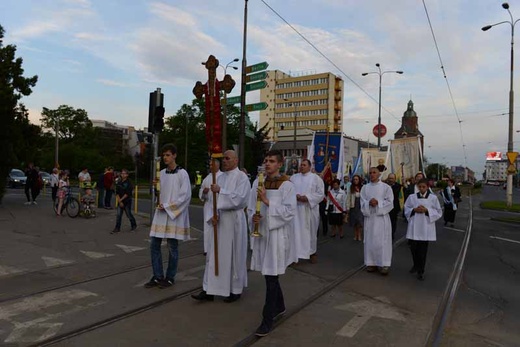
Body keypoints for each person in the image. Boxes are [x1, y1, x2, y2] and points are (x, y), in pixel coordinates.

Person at [248, 149, 297, 337]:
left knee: (271, 276)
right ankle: (280, 306)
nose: (267, 164)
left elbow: (289, 211)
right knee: (270, 274)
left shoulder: (287, 186)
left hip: (277, 235)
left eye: (271, 161)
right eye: (266, 160)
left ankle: (267, 319)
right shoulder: (258, 183)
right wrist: (253, 216)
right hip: (263, 234)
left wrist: (268, 202)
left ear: (280, 164)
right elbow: (251, 205)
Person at [192, 150, 250, 303]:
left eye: (228, 158)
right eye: (223, 158)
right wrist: (213, 215)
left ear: (236, 160)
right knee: (213, 254)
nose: (224, 161)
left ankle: (234, 289)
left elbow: (240, 199)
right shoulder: (220, 177)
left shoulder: (242, 177)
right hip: (220, 220)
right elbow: (212, 200)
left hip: (234, 220)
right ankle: (209, 289)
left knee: (234, 254)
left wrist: (221, 191)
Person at [145, 144, 191, 289]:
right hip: (161, 213)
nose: (165, 157)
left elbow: (185, 196)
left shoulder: (183, 173)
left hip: (173, 215)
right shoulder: (161, 173)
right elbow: (158, 195)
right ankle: (158, 275)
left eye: (168, 155)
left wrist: (168, 206)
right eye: (164, 155)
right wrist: (155, 189)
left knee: (172, 246)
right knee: (154, 245)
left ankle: (170, 277)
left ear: (175, 155)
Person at [404, 178, 442, 280]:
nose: (421, 189)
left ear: (427, 187)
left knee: (422, 250)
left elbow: (438, 212)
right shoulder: (412, 197)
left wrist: (427, 210)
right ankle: (416, 264)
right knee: (413, 248)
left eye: (423, 187)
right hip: (414, 226)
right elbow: (406, 208)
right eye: (419, 187)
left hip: (426, 227)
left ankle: (421, 270)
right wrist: (414, 209)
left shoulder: (433, 198)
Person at [360, 167, 394, 275]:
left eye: (374, 172)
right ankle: (371, 263)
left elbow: (390, 202)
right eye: (370, 173)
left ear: (379, 174)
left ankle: (384, 264)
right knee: (370, 241)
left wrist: (378, 202)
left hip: (381, 218)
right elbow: (362, 201)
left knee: (382, 242)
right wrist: (368, 203)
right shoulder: (365, 188)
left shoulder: (386, 187)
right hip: (370, 218)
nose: (372, 174)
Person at [290, 159, 324, 263]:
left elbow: (320, 194)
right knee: (296, 232)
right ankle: (295, 256)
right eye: (301, 165)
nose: (301, 167)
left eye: (304, 165)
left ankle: (312, 252)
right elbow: (288, 190)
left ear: (309, 167)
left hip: (309, 209)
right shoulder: (293, 178)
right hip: (296, 209)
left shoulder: (316, 178)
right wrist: (295, 196)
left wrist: (308, 198)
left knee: (311, 232)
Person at [198, 160, 223, 254]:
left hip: (219, 205)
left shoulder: (222, 176)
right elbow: (201, 191)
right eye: (210, 165)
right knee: (208, 228)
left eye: (212, 164)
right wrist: (203, 192)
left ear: (217, 165)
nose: (210, 166)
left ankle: (218, 248)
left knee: (218, 227)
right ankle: (207, 249)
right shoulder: (207, 178)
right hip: (208, 205)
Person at [112, 168, 137, 233]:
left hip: (127, 201)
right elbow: (116, 192)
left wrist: (121, 200)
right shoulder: (119, 182)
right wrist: (119, 200)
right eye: (122, 173)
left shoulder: (129, 183)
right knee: (118, 215)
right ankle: (117, 228)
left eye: (124, 173)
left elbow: (127, 193)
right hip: (120, 200)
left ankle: (133, 224)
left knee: (128, 214)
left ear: (127, 175)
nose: (122, 175)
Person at [386, 173, 402, 240]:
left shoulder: (398, 186)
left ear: (395, 179)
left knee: (393, 221)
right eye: (389, 178)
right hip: (386, 206)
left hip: (394, 207)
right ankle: (386, 234)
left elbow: (394, 193)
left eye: (392, 178)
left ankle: (392, 234)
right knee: (386, 221)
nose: (391, 180)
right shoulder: (385, 186)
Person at [348, 174, 364, 241]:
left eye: (356, 179)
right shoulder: (351, 187)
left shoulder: (362, 187)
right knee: (354, 222)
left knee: (360, 222)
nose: (355, 180)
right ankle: (355, 235)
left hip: (360, 206)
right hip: (353, 206)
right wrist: (347, 207)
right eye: (354, 179)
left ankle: (359, 235)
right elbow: (348, 197)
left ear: (359, 180)